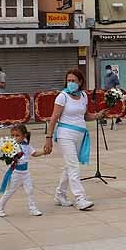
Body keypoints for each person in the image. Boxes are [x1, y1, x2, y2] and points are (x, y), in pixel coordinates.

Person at [43, 69, 94, 211]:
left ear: (80, 82)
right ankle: (80, 198)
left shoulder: (84, 96)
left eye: (73, 81)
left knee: (68, 166)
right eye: (68, 80)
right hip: (65, 134)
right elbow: (53, 119)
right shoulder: (62, 96)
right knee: (73, 167)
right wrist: (49, 138)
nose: (70, 83)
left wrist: (99, 115)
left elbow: (85, 116)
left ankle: (60, 194)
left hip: (80, 134)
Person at [0, 123, 44, 217]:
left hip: (25, 173)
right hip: (16, 173)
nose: (14, 138)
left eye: (17, 135)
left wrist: (44, 152)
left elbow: (34, 153)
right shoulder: (11, 147)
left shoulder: (26, 145)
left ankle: (33, 208)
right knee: (9, 191)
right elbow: (6, 158)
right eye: (12, 135)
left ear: (24, 135)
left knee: (30, 190)